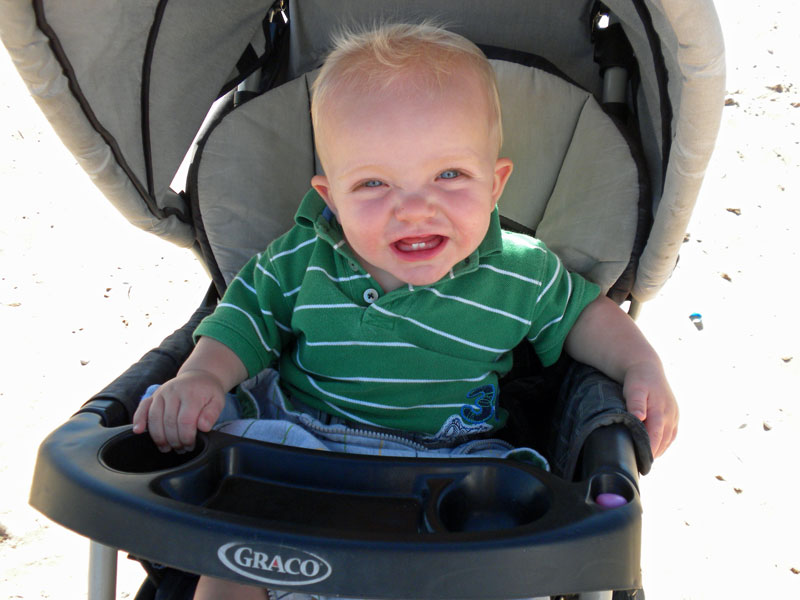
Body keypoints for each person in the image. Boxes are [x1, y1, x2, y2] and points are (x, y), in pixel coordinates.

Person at [133, 22, 678, 600]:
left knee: (510, 564)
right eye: (373, 184)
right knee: (231, 560)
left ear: (496, 187)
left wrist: (641, 365)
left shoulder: (519, 271)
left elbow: (585, 317)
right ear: (330, 197)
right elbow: (241, 319)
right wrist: (201, 376)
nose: (415, 209)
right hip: (302, 449)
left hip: (449, 469)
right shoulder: (302, 258)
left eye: (449, 175)